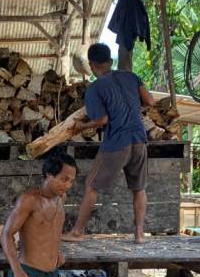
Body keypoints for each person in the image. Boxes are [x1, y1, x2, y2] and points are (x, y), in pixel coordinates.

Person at [62, 43, 156, 243]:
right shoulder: (131, 76)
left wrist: (80, 127)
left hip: (117, 142)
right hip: (139, 138)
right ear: (110, 61)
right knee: (139, 188)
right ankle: (139, 234)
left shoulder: (95, 88)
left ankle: (77, 232)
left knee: (91, 185)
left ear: (91, 65)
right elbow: (150, 101)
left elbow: (103, 120)